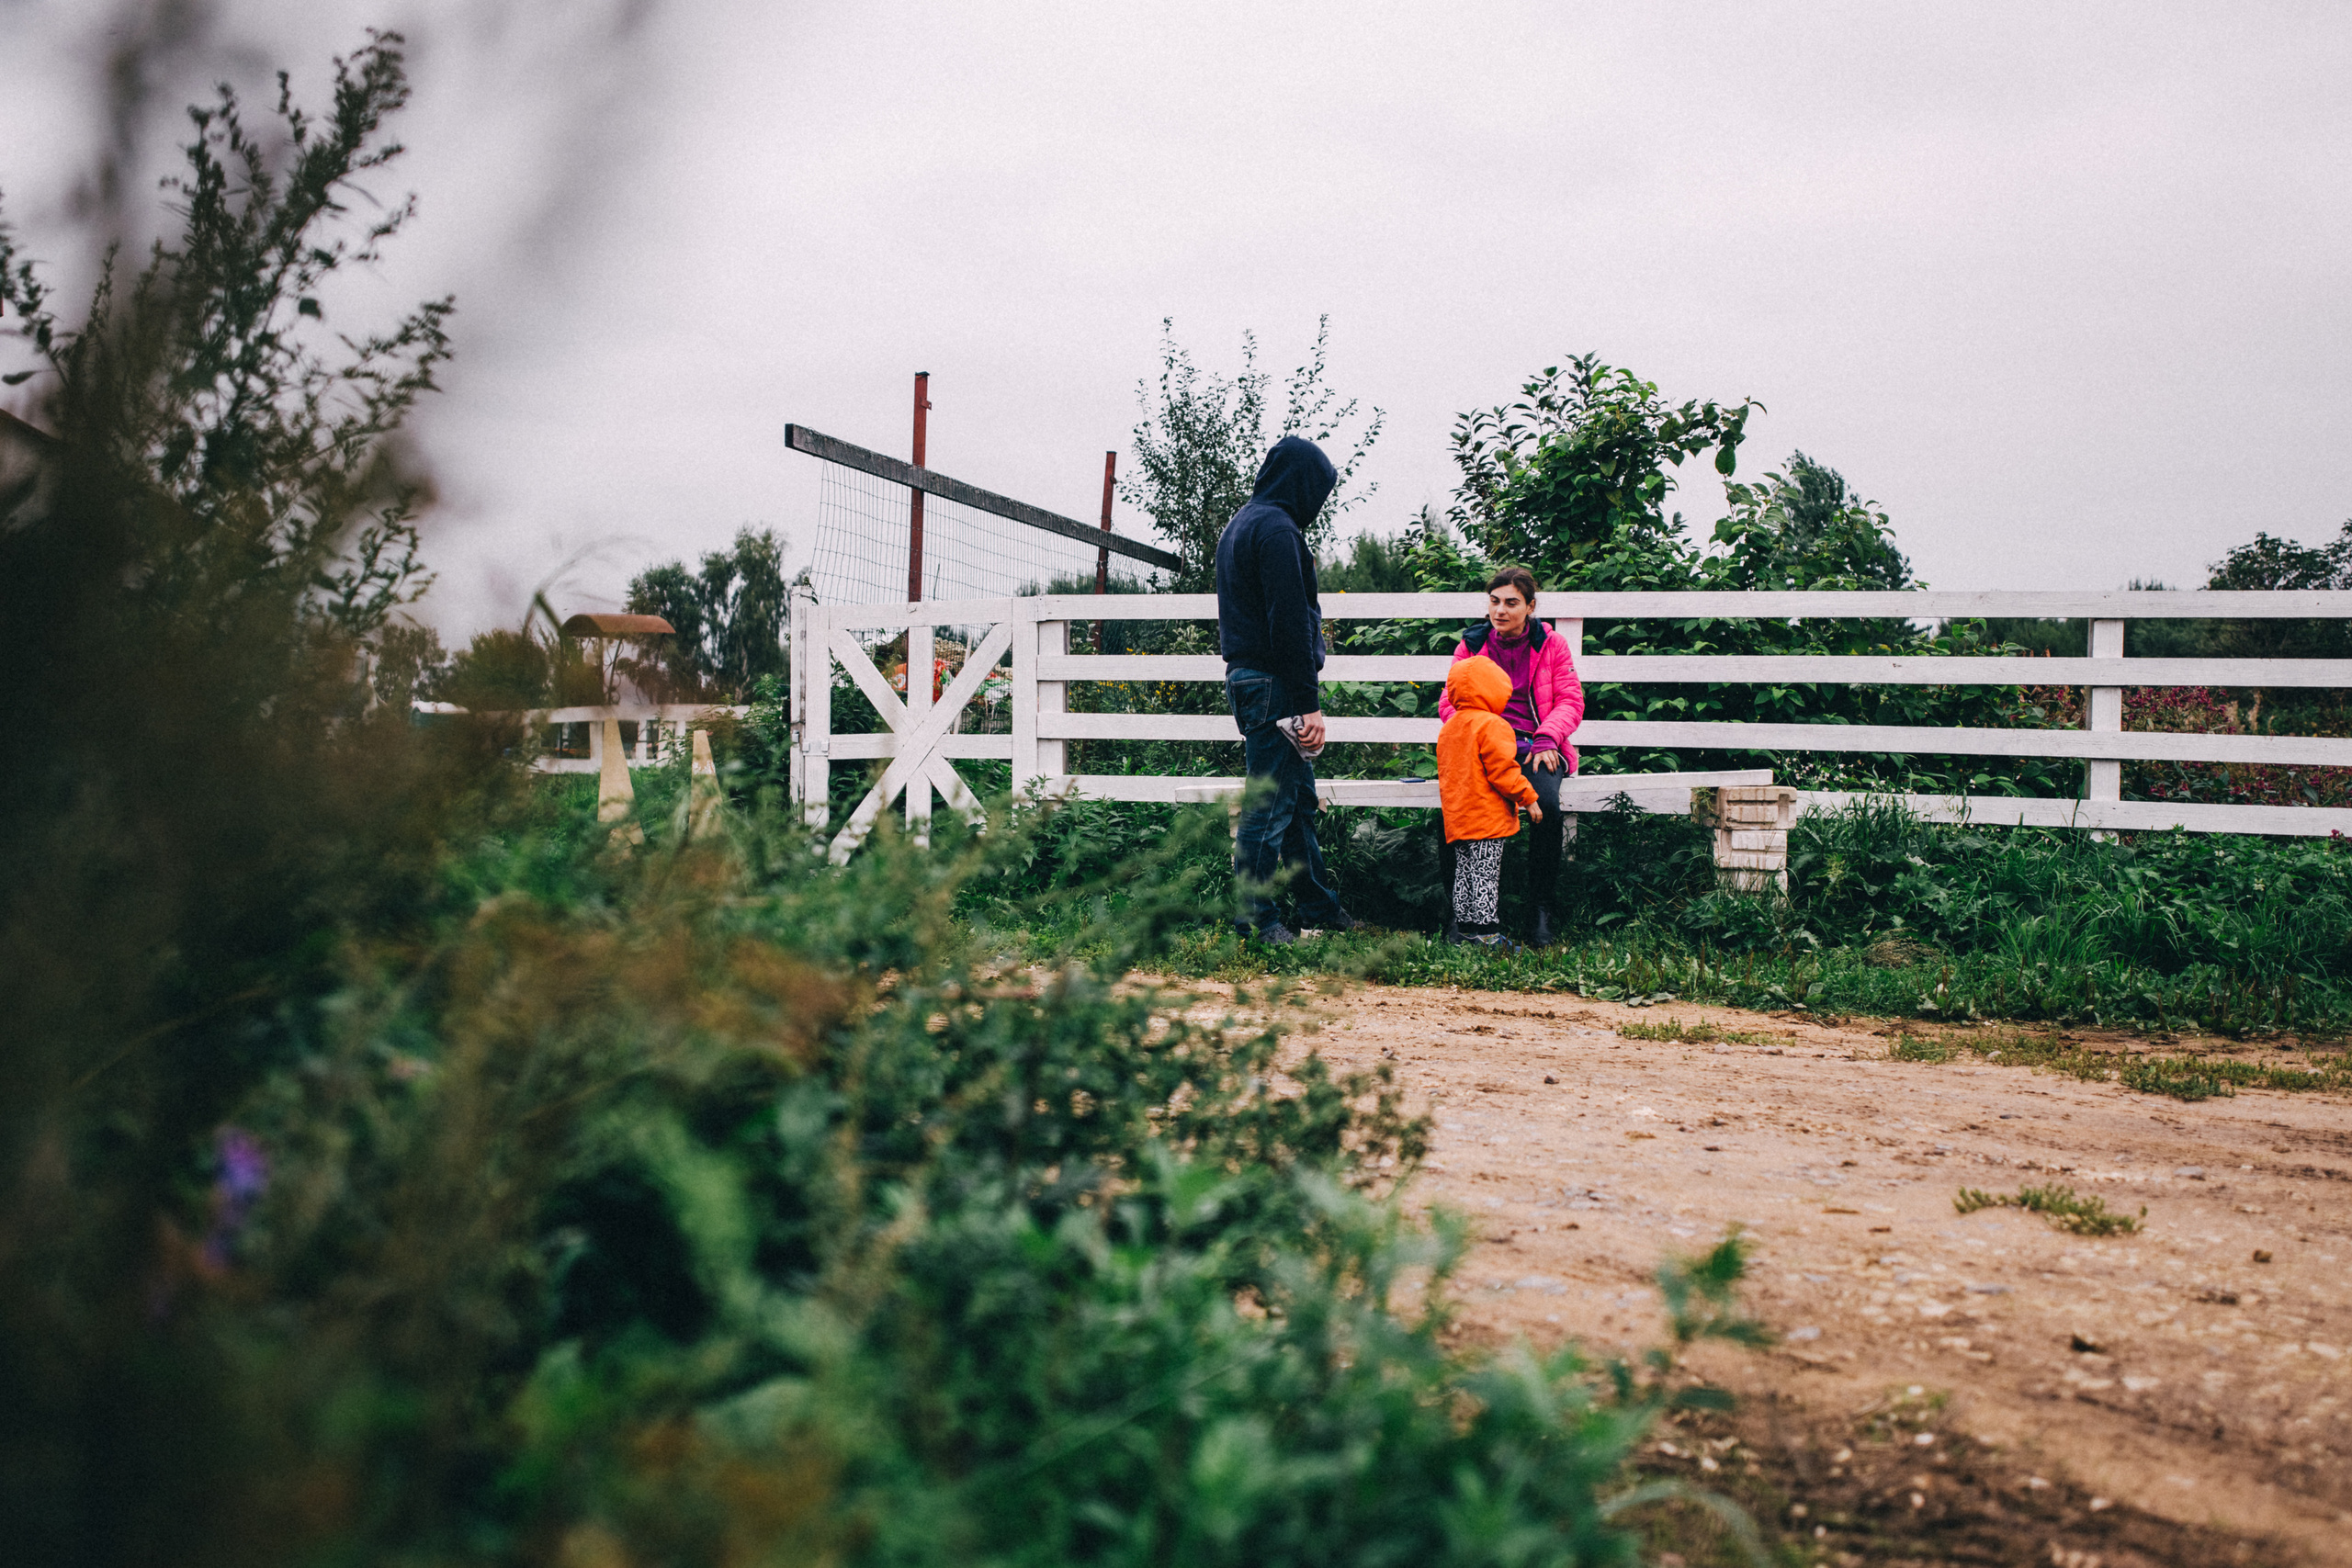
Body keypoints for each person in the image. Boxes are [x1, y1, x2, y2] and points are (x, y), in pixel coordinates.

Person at [1215, 436, 1359, 942]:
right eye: (1319, 489)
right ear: (1301, 483)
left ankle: (1318, 906)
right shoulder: (1278, 530)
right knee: (1270, 805)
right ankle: (1256, 919)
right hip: (1275, 685)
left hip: (1249, 678)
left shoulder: (1241, 524)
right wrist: (1307, 703)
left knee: (1296, 803)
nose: (1318, 502)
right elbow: (1290, 623)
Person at [1436, 567, 1584, 944]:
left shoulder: (1552, 644)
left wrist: (1548, 737)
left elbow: (1570, 700)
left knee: (1546, 806)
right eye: (1495, 601)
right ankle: (1460, 916)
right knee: (1451, 812)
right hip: (1483, 745)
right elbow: (1449, 701)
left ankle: (1540, 910)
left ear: (1530, 607)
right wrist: (1475, 733)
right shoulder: (1471, 645)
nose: (1500, 610)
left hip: (1535, 746)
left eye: (1511, 603)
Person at [1437, 655, 1543, 946]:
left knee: (1464, 874)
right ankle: (1488, 935)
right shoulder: (1493, 725)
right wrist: (1528, 797)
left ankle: (1464, 932)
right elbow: (1503, 772)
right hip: (1487, 818)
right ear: (1495, 690)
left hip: (1458, 818)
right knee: (1485, 876)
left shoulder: (1450, 728)